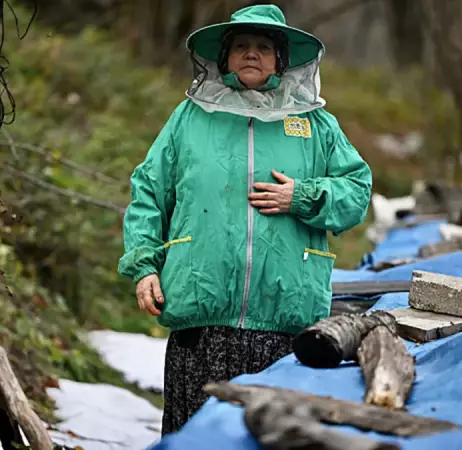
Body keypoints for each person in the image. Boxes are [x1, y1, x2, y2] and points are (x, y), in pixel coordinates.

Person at [118, 4, 372, 435]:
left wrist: (303, 196)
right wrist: (144, 266)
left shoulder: (315, 124)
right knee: (192, 436)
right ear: (224, 58)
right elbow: (149, 190)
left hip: (283, 322)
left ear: (280, 60)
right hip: (201, 319)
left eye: (262, 47)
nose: (251, 54)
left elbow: (356, 191)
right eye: (240, 46)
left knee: (267, 437)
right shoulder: (190, 118)